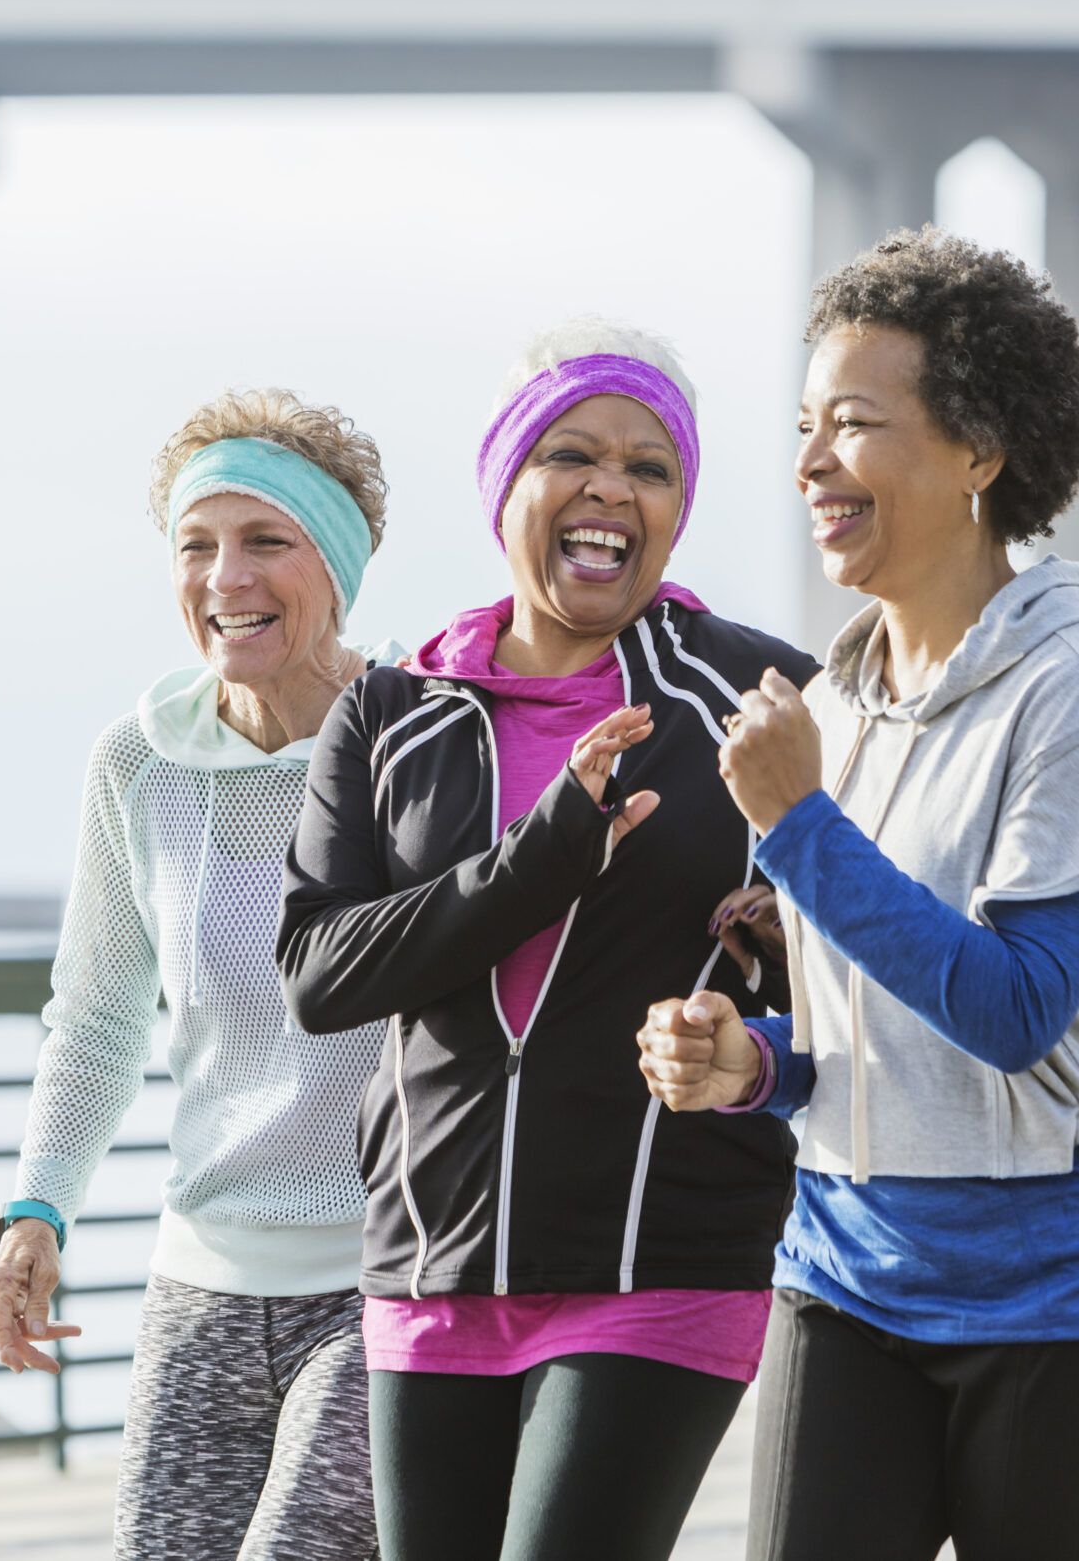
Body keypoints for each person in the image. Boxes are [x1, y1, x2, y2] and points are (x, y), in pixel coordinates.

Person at [638, 228, 1079, 1561]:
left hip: (1073, 1301)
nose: (808, 465)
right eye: (802, 427)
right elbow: (876, 1033)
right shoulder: (834, 705)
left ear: (979, 453)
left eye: (853, 424)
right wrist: (755, 1063)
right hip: (847, 1274)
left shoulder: (1076, 693)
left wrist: (796, 822)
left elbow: (1014, 1010)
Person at [279, 320, 817, 1561]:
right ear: (504, 485)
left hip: (662, 1257)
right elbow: (322, 975)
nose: (611, 489)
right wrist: (545, 854)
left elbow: (859, 956)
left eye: (652, 467)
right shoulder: (390, 710)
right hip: (431, 1262)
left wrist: (786, 948)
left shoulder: (765, 696)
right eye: (571, 454)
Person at [0, 391, 396, 1561]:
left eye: (267, 541)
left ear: (340, 563)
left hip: (389, 1278)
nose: (227, 577)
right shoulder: (139, 762)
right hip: (200, 1282)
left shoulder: (423, 744)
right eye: (197, 546)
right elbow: (100, 1014)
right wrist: (36, 1210)